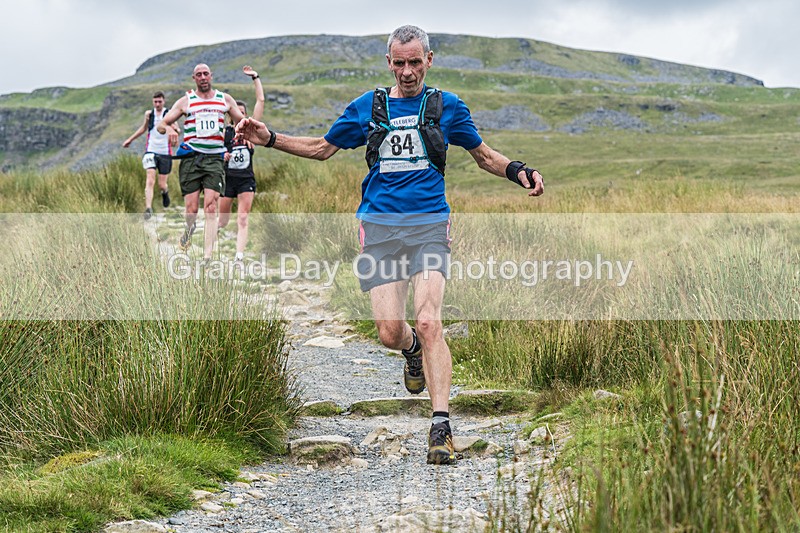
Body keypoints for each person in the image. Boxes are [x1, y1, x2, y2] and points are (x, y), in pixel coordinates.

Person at [235, 25, 543, 465]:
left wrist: (520, 171)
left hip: (429, 226)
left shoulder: (446, 107)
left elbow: (484, 156)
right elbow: (322, 148)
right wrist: (269, 138)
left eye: (415, 62)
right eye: (399, 63)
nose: (407, 71)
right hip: (379, 229)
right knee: (389, 332)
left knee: (431, 319)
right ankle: (412, 349)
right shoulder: (369, 107)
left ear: (429, 60)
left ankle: (440, 426)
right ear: (389, 63)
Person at [156, 63, 247, 260]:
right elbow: (162, 125)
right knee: (191, 209)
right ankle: (189, 230)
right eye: (199, 75)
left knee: (211, 207)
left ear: (211, 76)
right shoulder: (186, 101)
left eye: (206, 73)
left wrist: (248, 131)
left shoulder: (225, 99)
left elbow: (241, 121)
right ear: (194, 78)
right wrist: (170, 129)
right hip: (191, 159)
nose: (203, 77)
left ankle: (208, 255)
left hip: (215, 158)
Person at [219, 66, 265, 265]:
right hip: (228, 181)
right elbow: (214, 151)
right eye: (237, 113)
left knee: (243, 218)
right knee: (222, 221)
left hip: (246, 180)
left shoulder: (252, 132)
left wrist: (255, 78)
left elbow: (261, 101)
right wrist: (223, 154)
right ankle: (211, 250)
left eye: (244, 113)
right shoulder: (226, 133)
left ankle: (239, 256)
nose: (241, 117)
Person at [122, 91, 174, 219]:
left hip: (165, 152)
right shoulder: (149, 115)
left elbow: (176, 128)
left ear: (164, 101)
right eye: (155, 101)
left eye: (159, 101)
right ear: (152, 102)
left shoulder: (169, 114)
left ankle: (165, 192)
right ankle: (148, 208)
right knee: (150, 179)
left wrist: (173, 130)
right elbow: (143, 129)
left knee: (162, 184)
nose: (157, 104)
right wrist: (130, 139)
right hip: (151, 150)